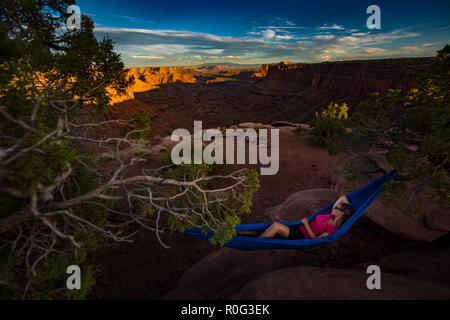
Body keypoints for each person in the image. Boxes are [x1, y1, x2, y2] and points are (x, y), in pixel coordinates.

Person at [237, 195, 354, 239]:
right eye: (336, 207)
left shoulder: (333, 228)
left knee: (276, 227)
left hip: (302, 235)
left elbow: (315, 239)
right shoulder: (330, 214)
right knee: (264, 229)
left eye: (337, 208)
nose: (334, 207)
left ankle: (258, 242)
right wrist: (345, 207)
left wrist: (306, 224)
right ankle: (239, 234)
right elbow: (343, 197)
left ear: (341, 214)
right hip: (298, 227)